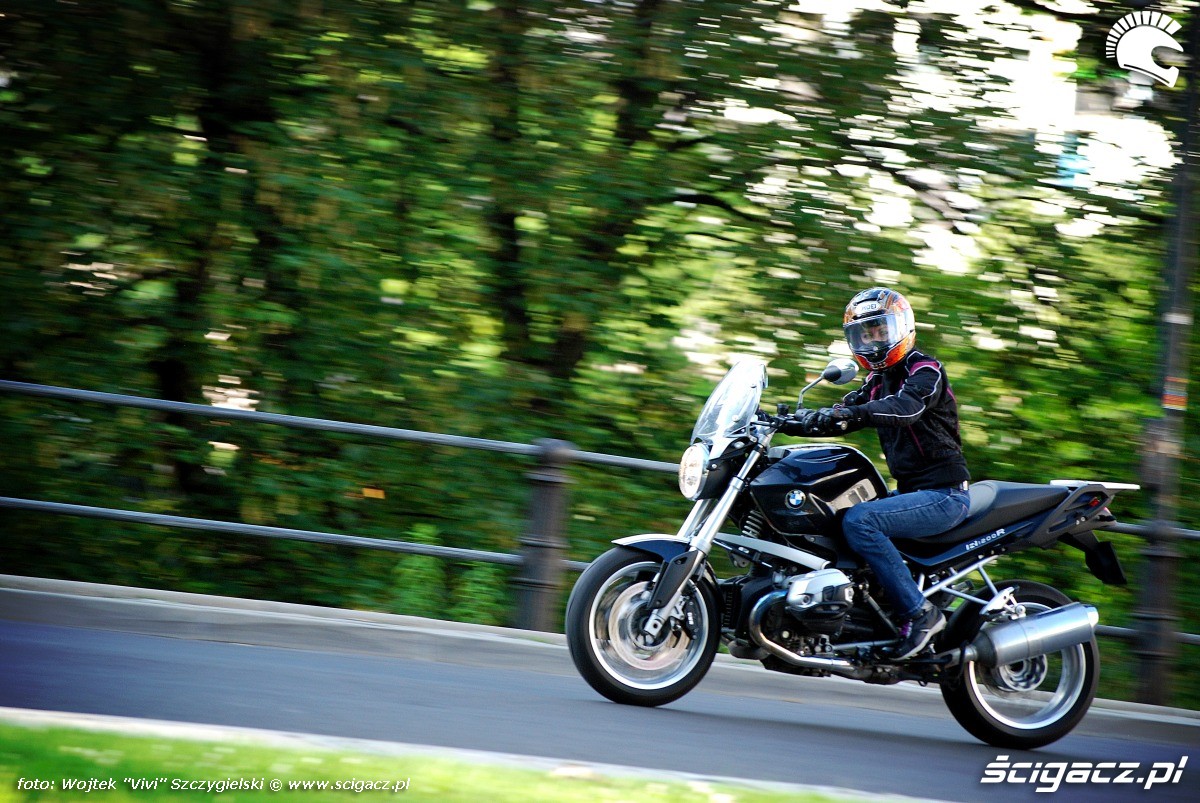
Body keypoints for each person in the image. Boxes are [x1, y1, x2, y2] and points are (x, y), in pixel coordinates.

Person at [785, 287, 971, 660]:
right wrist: (789, 420)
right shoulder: (875, 383)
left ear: (902, 327)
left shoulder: (925, 370)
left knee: (861, 521)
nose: (873, 340)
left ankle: (920, 614)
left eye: (880, 330)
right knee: (834, 516)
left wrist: (850, 414)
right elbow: (844, 411)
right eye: (865, 334)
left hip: (945, 494)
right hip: (912, 493)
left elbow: (905, 408)